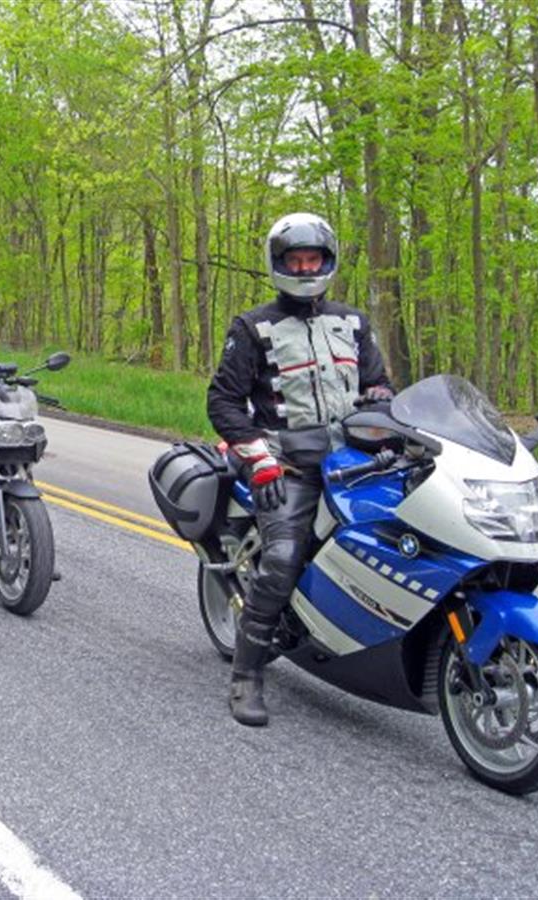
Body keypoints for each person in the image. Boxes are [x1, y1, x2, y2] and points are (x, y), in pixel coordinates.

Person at [207, 213, 393, 726]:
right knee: (283, 558)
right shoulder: (253, 327)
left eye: (313, 259)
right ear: (279, 264)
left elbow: (379, 386)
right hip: (287, 464)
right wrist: (259, 458)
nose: (306, 268)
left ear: (327, 261)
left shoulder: (353, 323)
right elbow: (223, 402)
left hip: (352, 462)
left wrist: (381, 400)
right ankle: (247, 675)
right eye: (296, 260)